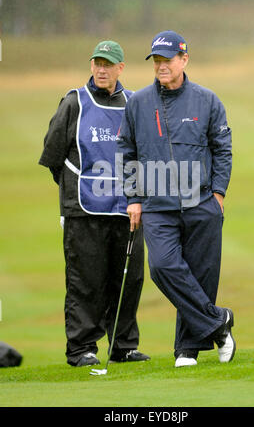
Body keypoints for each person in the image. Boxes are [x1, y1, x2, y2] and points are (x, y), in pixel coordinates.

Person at [117, 30, 235, 368]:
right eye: (156, 60)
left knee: (201, 274)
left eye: (167, 60)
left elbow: (222, 148)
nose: (161, 66)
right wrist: (133, 198)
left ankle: (187, 349)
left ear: (184, 59)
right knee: (163, 266)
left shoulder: (207, 99)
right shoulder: (138, 102)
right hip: (156, 205)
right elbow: (127, 152)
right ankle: (218, 322)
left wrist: (218, 192)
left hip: (201, 203)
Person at [39, 40, 150, 367]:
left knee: (128, 280)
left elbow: (144, 156)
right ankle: (81, 349)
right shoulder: (75, 102)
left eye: (109, 64)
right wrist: (74, 194)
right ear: (92, 66)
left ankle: (123, 346)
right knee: (85, 282)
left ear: (120, 68)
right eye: (97, 63)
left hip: (127, 209)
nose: (102, 70)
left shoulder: (134, 103)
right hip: (83, 211)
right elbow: (53, 156)